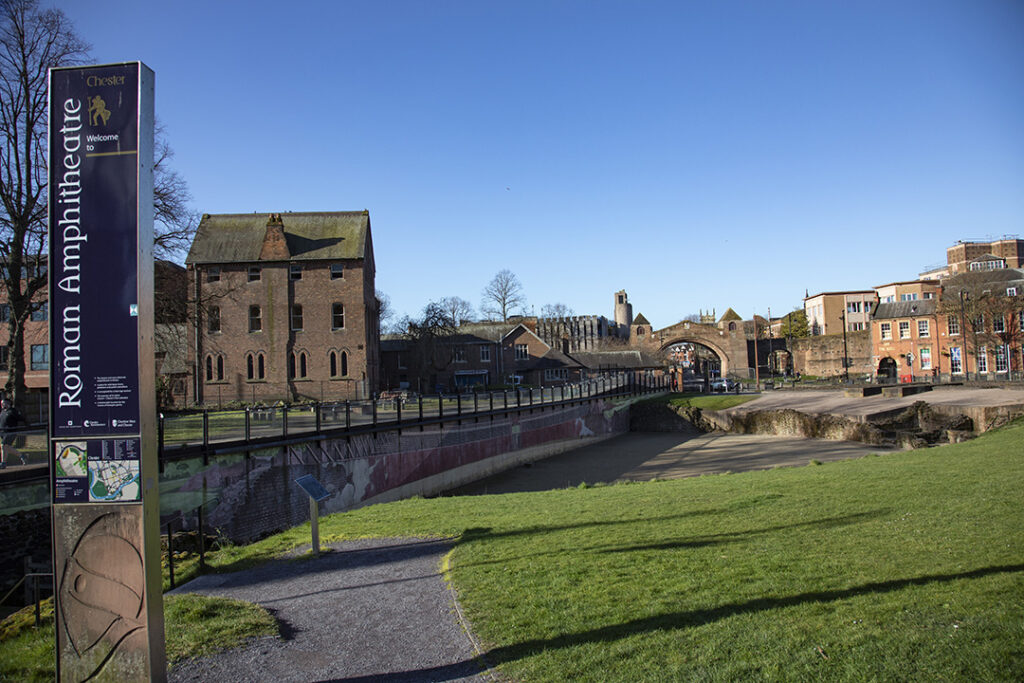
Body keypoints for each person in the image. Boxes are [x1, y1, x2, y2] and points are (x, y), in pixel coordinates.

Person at [0, 399, 26, 468]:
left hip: (10, 432)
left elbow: (21, 418)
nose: (2, 405)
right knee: (7, 448)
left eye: (3, 403)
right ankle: (22, 455)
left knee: (3, 446)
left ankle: (3, 463)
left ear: (8, 404)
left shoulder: (13, 411)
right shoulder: (2, 411)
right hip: (3, 432)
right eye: (1, 403)